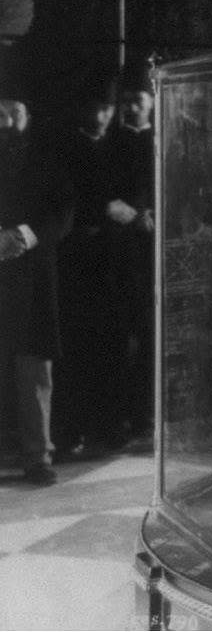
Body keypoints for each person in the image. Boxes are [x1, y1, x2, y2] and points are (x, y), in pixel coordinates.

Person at [0, 60, 74, 484]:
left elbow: (62, 212)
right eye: (1, 112)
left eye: (16, 112)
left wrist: (23, 236)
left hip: (32, 273)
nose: (8, 121)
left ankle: (38, 455)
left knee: (34, 366)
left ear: (29, 114)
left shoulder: (50, 156)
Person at [53, 73, 130, 457]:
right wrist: (104, 208)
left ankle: (108, 425)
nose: (102, 116)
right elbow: (61, 203)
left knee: (112, 343)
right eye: (96, 108)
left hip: (112, 260)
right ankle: (71, 431)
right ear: (82, 108)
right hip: (76, 260)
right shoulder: (65, 147)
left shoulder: (117, 146)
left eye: (108, 109)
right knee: (76, 346)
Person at [108, 61, 156, 444]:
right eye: (125, 101)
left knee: (151, 337)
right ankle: (116, 420)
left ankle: (146, 417)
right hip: (115, 257)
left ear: (153, 101)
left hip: (155, 256)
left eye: (138, 100)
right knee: (117, 338)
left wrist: (157, 215)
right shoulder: (108, 144)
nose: (131, 107)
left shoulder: (164, 141)